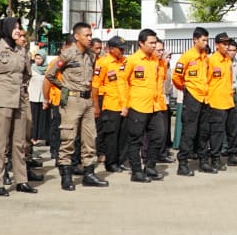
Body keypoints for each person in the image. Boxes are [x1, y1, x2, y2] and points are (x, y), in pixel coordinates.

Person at [43, 22, 108, 190]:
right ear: (77, 36)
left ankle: (89, 173)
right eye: (86, 35)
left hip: (87, 101)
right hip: (71, 101)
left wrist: (94, 104)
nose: (90, 38)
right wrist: (63, 87)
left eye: (90, 35)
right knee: (68, 138)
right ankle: (66, 176)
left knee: (89, 139)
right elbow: (50, 75)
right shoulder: (67, 55)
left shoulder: (91, 56)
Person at [0, 18, 34, 195]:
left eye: (19, 27)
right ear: (7, 29)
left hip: (19, 99)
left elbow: (27, 74)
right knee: (0, 143)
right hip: (1, 100)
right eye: (15, 27)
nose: (18, 31)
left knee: (19, 143)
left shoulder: (21, 50)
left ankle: (21, 180)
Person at [120, 29, 168, 183]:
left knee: (159, 136)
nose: (154, 46)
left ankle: (150, 166)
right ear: (141, 43)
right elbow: (122, 81)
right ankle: (136, 171)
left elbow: (161, 78)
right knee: (135, 139)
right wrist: (124, 104)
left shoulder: (156, 60)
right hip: (137, 105)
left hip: (155, 105)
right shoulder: (132, 60)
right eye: (151, 43)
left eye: (155, 42)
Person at [171, 27, 211, 177]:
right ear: (195, 39)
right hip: (192, 97)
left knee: (204, 131)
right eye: (203, 40)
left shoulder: (205, 57)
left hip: (205, 98)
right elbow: (176, 77)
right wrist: (185, 88)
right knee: (189, 132)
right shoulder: (187, 57)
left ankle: (203, 161)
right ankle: (183, 164)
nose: (206, 43)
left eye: (207, 40)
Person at [202, 32, 236, 172]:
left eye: (228, 44)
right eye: (224, 44)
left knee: (233, 130)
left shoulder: (228, 60)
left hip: (228, 100)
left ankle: (233, 154)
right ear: (217, 45)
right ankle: (215, 158)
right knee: (216, 132)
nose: (227, 47)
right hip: (215, 102)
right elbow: (205, 81)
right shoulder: (210, 60)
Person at [94, 36, 128, 173]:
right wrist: (96, 105)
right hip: (110, 104)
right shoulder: (103, 63)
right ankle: (111, 162)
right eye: (120, 49)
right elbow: (95, 85)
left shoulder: (126, 62)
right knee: (111, 136)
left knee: (124, 135)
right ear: (111, 49)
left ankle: (121, 160)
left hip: (125, 104)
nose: (122, 51)